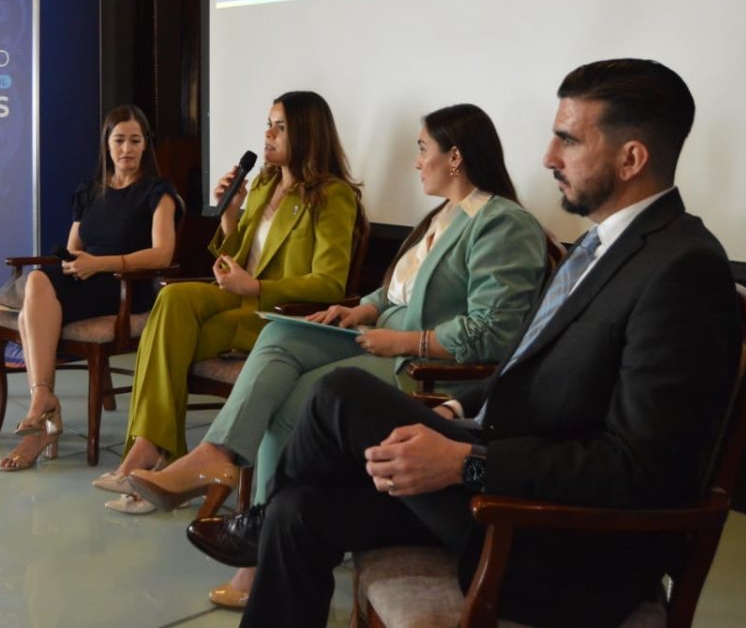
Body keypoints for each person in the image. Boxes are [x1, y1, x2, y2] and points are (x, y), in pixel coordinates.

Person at [187, 59, 743, 627]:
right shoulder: (600, 247)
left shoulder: (682, 269)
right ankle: (268, 519)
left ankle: (254, 520)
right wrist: (456, 410)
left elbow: (644, 470)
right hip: (502, 473)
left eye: (569, 140)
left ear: (632, 158)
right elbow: (526, 371)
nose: (548, 157)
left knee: (340, 392)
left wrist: (469, 465)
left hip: (555, 537)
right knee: (300, 510)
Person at [129, 104, 549, 608]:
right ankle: (217, 457)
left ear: (455, 157)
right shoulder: (441, 215)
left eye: (423, 149)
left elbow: (493, 332)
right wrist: (359, 309)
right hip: (381, 336)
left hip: (423, 365)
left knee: (296, 401)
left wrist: (403, 342)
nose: (416, 162)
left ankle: (260, 556)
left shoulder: (502, 223)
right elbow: (392, 292)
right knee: (279, 336)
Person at [93, 90, 362, 513]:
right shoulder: (265, 184)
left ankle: (153, 455)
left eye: (280, 128)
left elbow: (329, 283)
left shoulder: (332, 196)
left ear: (308, 134)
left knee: (166, 339)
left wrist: (255, 288)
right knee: (173, 298)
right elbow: (234, 257)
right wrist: (230, 214)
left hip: (273, 313)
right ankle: (152, 451)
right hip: (235, 297)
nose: (267, 135)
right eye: (268, 124)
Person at [0, 105, 179, 470]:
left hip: (126, 287)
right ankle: (43, 399)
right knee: (37, 283)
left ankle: (43, 414)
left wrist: (101, 264)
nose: (126, 149)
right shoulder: (90, 191)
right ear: (107, 144)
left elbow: (163, 254)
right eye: (119, 140)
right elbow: (73, 248)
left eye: (135, 141)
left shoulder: (158, 192)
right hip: (87, 279)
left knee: (32, 304)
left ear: (146, 145)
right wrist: (75, 262)